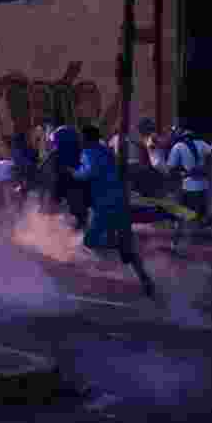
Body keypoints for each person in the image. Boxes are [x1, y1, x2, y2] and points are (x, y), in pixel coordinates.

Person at [71, 125, 157, 298]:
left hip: (104, 204)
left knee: (89, 241)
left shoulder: (88, 153)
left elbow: (88, 173)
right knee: (127, 247)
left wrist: (73, 172)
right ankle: (144, 278)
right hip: (120, 202)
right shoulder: (107, 151)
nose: (80, 141)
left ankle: (115, 250)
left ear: (87, 139)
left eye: (82, 138)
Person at [163, 123, 212, 252]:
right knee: (199, 218)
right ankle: (198, 245)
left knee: (180, 216)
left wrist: (182, 172)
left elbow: (170, 167)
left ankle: (175, 245)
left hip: (188, 187)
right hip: (203, 187)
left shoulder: (178, 146)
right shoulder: (202, 144)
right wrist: (205, 168)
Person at [47, 121, 87, 230]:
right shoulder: (83, 156)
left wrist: (54, 200)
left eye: (56, 143)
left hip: (74, 208)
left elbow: (58, 183)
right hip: (80, 209)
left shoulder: (59, 159)